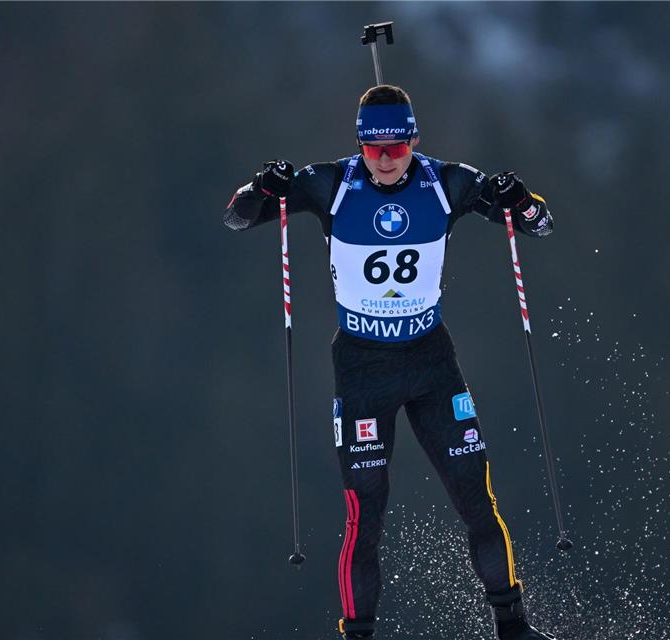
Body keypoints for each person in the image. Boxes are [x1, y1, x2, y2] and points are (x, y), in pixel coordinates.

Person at [223, 84, 557, 640]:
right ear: (359, 145)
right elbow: (237, 219)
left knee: (476, 496)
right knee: (366, 515)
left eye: (397, 147)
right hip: (363, 370)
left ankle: (513, 627)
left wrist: (519, 198)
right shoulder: (330, 184)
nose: (385, 158)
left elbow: (540, 225)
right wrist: (261, 185)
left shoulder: (447, 183)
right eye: (374, 148)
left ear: (414, 140)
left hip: (430, 362)